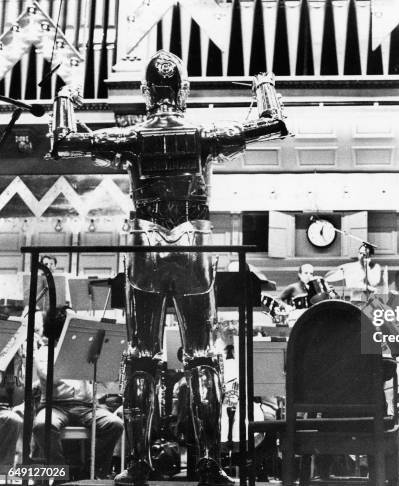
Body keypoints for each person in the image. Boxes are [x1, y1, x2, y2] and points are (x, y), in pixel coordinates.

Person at [49, 50, 288, 485]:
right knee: (203, 357)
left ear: (144, 91)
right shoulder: (204, 134)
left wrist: (66, 98)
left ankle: (136, 464)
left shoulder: (134, 135)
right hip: (193, 244)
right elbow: (274, 125)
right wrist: (264, 87)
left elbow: (63, 141)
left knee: (141, 355)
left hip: (145, 247)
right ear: (184, 90)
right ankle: (210, 465)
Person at [32, 335, 124, 479]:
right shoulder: (44, 352)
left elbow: (108, 380)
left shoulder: (85, 350)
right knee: (42, 425)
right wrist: (75, 357)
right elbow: (53, 379)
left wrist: (106, 361)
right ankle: (60, 476)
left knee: (115, 424)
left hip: (86, 407)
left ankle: (91, 474)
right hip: (55, 405)